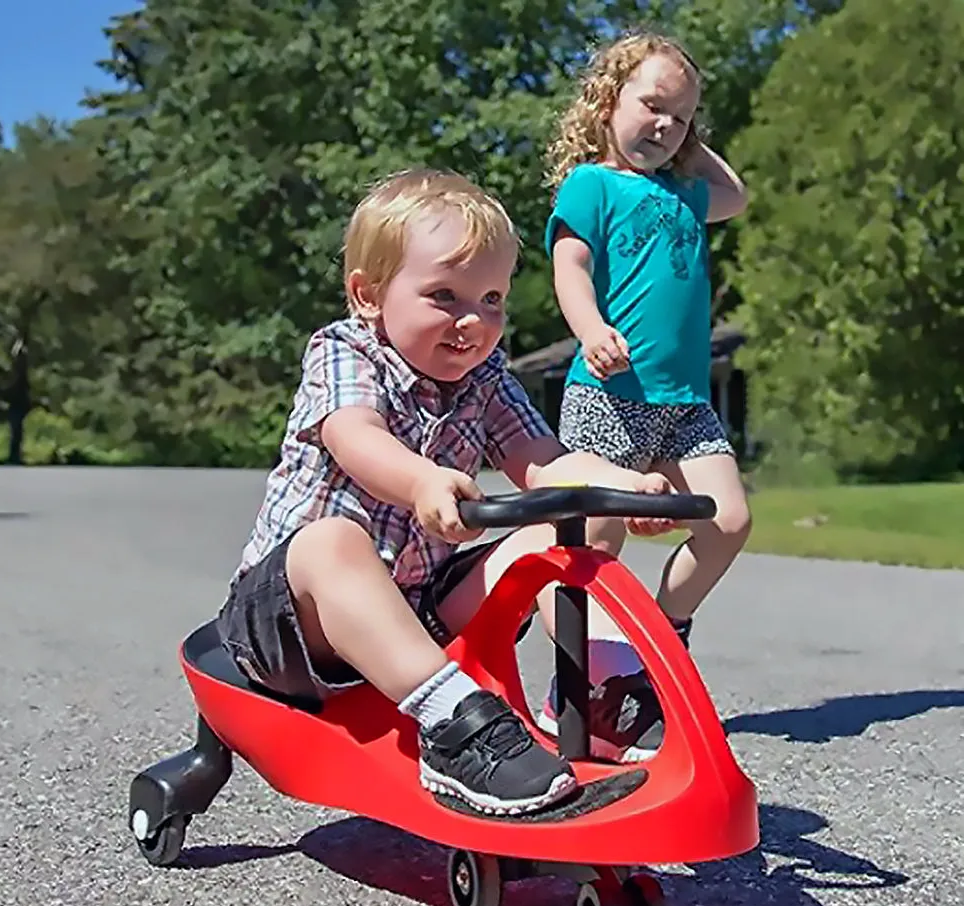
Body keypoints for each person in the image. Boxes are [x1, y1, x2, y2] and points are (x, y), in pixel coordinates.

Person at [217, 166, 679, 818]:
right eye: (445, 296)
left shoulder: (484, 375)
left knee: (576, 517)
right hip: (293, 628)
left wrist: (623, 487)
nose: (473, 321)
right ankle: (457, 729)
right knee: (331, 543)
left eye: (492, 300)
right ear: (368, 294)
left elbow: (541, 461)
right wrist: (421, 480)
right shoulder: (345, 352)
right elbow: (355, 435)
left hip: (421, 609)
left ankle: (597, 694)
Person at [538, 30, 752, 759]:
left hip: (684, 403)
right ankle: (583, 684)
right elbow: (570, 265)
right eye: (652, 105)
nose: (665, 126)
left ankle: (660, 639)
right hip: (609, 395)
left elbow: (738, 196)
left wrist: (693, 140)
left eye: (683, 117)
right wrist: (590, 326)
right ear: (607, 101)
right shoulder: (592, 185)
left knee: (728, 522)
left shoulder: (688, 194)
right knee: (596, 543)